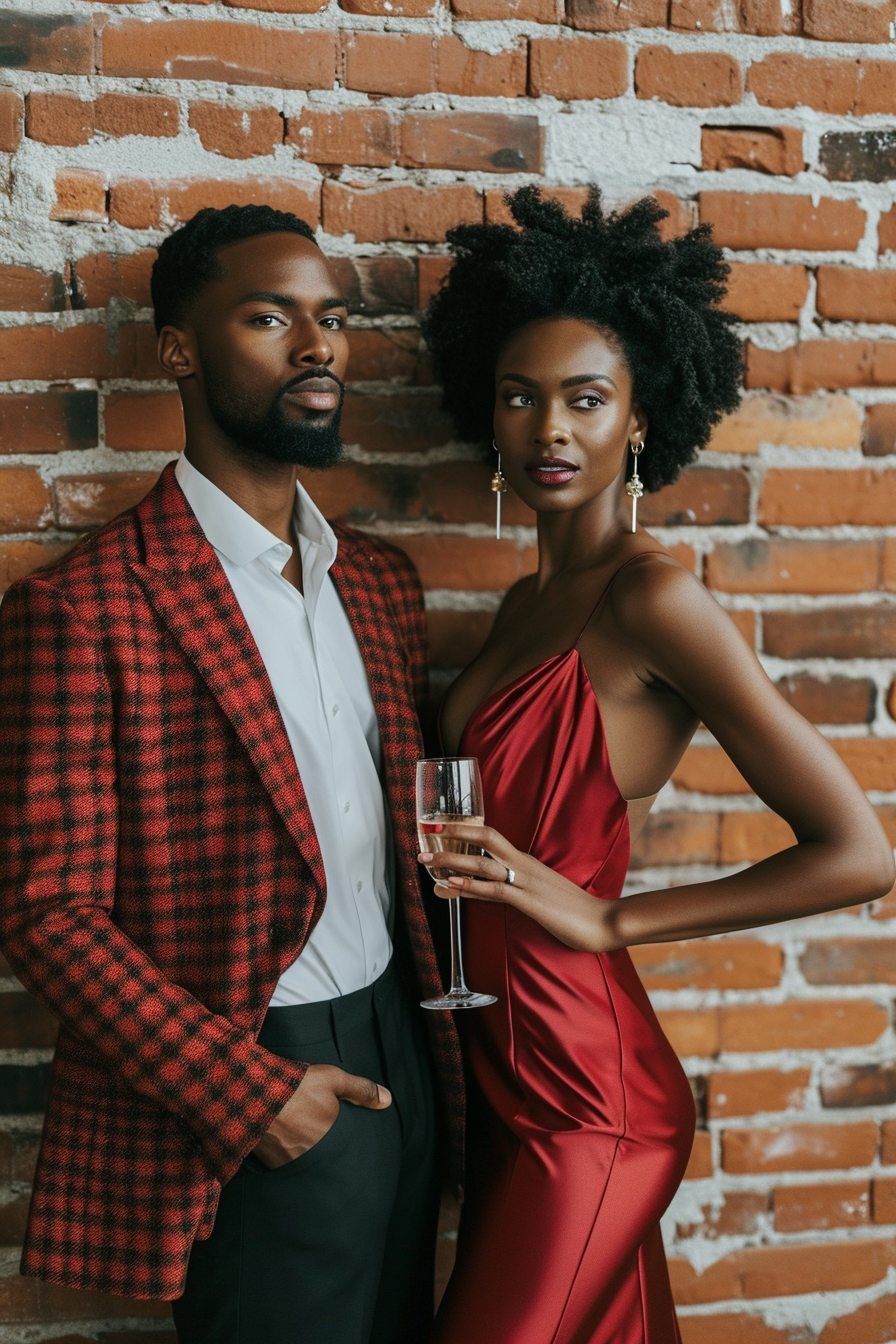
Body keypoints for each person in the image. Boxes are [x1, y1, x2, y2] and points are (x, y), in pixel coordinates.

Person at [418, 186, 895, 1344]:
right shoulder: (526, 601)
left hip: (592, 1100)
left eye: (585, 400)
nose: (548, 432)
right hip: (503, 1085)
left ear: (636, 420)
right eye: (520, 398)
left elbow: (857, 854)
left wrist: (612, 923)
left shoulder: (651, 596)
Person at [0, 204, 464, 1344]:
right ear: (179, 350)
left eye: (331, 319)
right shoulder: (87, 608)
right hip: (258, 1083)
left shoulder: (377, 586)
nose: (318, 349)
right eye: (269, 318)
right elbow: (43, 910)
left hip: (408, 1053)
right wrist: (251, 1096)